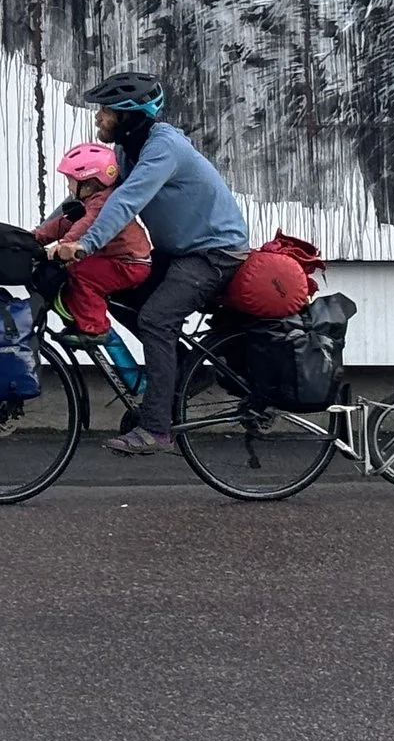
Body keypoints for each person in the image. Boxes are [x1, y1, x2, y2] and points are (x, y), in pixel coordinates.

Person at [46, 68, 250, 456]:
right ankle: (186, 373)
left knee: (156, 319)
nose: (98, 117)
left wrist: (85, 245)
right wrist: (40, 234)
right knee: (123, 298)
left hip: (215, 253)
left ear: (128, 114)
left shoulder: (163, 148)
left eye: (105, 110)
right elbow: (92, 201)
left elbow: (126, 203)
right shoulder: (127, 150)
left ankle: (157, 429)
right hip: (179, 253)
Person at [30, 141, 153, 343]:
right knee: (75, 270)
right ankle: (84, 319)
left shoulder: (102, 204)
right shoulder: (90, 200)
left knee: (81, 274)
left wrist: (65, 245)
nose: (68, 185)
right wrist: (36, 236)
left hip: (130, 263)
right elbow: (64, 223)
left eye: (71, 180)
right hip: (119, 259)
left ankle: (94, 328)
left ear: (87, 184)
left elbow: (85, 225)